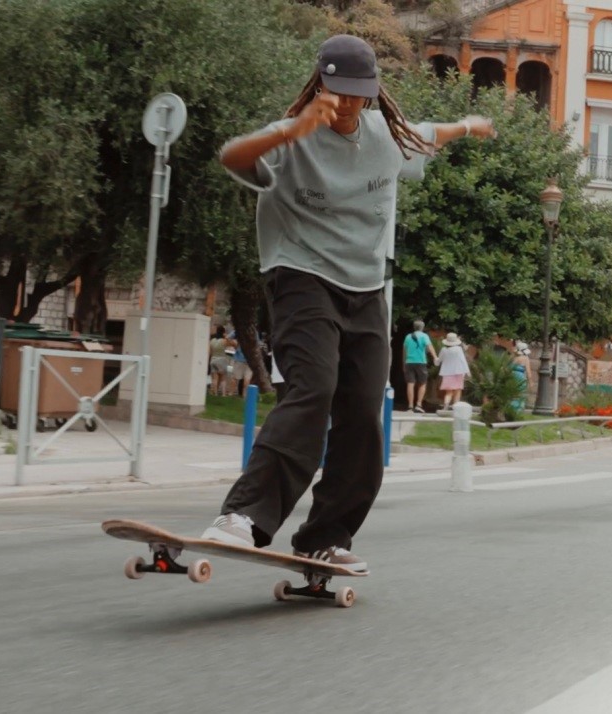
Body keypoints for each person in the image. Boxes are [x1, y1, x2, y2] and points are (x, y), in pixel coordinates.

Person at [201, 34, 495, 571]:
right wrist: (293, 128)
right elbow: (230, 156)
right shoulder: (292, 135)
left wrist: (469, 125)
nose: (349, 106)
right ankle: (242, 517)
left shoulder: (389, 135)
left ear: (375, 93)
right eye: (341, 94)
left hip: (366, 290)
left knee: (362, 414)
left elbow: (434, 134)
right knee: (313, 391)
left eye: (361, 95)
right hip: (300, 276)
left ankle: (325, 535)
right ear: (321, 85)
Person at [404, 320, 437, 413]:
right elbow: (430, 347)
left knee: (410, 383)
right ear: (422, 327)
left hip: (409, 362)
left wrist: (404, 363)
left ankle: (410, 406)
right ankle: (418, 404)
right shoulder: (424, 336)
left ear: (414, 327)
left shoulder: (407, 337)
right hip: (420, 362)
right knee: (422, 383)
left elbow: (404, 351)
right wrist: (435, 357)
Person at [435, 332, 469, 412]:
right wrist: (467, 371)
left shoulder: (443, 350)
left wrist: (435, 360)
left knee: (448, 392)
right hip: (458, 372)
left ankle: (446, 405)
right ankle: (455, 407)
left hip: (447, 373)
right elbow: (463, 361)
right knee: (458, 390)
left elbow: (438, 361)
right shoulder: (458, 349)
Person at [208, 326, 232, 397]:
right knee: (223, 378)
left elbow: (210, 352)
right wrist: (226, 336)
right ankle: (223, 394)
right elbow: (230, 344)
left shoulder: (212, 341)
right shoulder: (224, 341)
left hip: (213, 359)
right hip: (222, 359)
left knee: (214, 378)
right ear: (223, 332)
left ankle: (215, 393)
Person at [511, 341, 531, 411]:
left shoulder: (514, 358)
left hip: (512, 376)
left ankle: (511, 408)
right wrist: (531, 382)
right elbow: (528, 372)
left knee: (513, 394)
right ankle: (518, 409)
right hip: (520, 377)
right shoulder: (525, 358)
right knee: (520, 394)